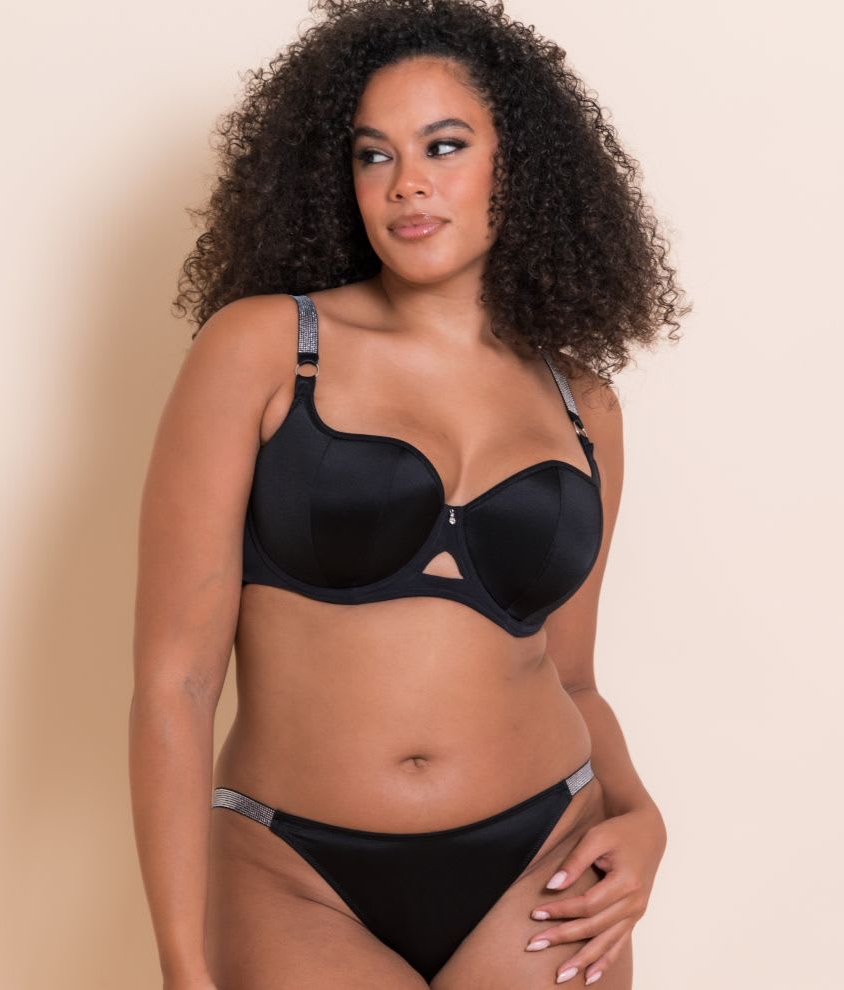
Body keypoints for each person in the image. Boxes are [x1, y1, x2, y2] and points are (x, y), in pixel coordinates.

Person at [130, 2, 688, 988]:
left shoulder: (582, 403)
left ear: (519, 165)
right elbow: (177, 682)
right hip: (294, 869)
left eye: (445, 145)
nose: (408, 183)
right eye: (374, 155)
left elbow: (572, 678)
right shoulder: (265, 349)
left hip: (547, 852)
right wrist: (183, 961)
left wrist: (640, 815)